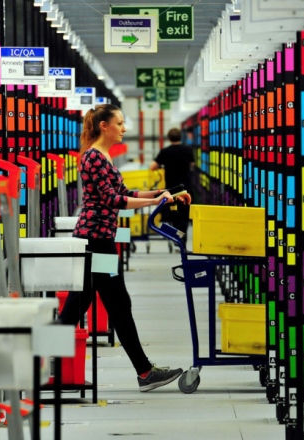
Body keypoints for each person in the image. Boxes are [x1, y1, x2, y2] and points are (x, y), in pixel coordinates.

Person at [57, 104, 192, 392]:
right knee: (104, 304)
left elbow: (124, 193)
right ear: (104, 126)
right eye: (119, 123)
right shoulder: (93, 156)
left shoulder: (102, 156)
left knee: (89, 304)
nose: (124, 128)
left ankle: (47, 367)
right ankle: (143, 372)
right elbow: (112, 200)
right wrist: (156, 202)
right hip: (95, 243)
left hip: (100, 241)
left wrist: (164, 193)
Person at [149, 127, 195, 246]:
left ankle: (177, 236)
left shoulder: (165, 151)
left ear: (169, 138)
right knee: (185, 213)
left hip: (172, 189)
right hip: (186, 187)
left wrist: (163, 166)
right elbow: (192, 164)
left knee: (174, 213)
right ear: (181, 137)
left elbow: (152, 166)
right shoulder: (188, 150)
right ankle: (182, 237)